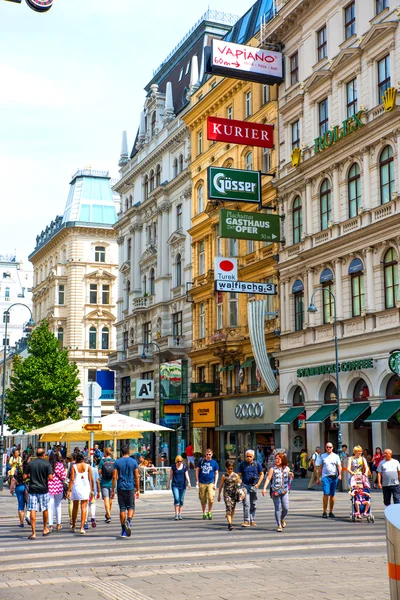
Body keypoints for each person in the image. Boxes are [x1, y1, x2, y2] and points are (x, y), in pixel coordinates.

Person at [23, 448, 53, 539]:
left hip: (32, 490)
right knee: (45, 509)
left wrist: (30, 476)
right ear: (43, 454)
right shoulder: (47, 464)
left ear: (36, 454)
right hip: (43, 489)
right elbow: (50, 478)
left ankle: (33, 533)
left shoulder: (31, 464)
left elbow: (24, 476)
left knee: (32, 509)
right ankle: (44, 528)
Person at [111, 444, 140, 539]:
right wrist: (138, 489)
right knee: (131, 506)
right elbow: (136, 476)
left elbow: (114, 476)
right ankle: (129, 520)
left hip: (121, 487)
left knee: (122, 508)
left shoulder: (117, 462)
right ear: (129, 452)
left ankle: (123, 530)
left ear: (121, 452)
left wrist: (112, 489)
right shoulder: (134, 462)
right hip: (130, 487)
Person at [262, 452, 294, 532]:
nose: (276, 460)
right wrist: (264, 488)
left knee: (286, 508)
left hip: (284, 491)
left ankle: (282, 518)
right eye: (276, 459)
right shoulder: (273, 469)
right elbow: (268, 478)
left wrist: (290, 474)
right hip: (275, 491)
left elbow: (289, 475)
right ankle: (279, 525)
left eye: (278, 459)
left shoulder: (286, 468)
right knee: (277, 508)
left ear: (282, 460)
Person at [66, 451, 94, 534]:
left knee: (75, 506)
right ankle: (82, 527)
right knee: (84, 507)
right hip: (85, 487)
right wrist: (92, 489)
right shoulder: (88, 466)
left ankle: (74, 525)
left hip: (76, 487)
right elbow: (91, 479)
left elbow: (71, 479)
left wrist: (69, 490)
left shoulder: (74, 466)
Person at [238, 449, 264, 527]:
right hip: (245, 485)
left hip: (254, 486)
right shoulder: (242, 464)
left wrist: (258, 484)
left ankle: (252, 519)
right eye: (247, 456)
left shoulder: (257, 464)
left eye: (250, 456)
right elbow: (239, 475)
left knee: (253, 504)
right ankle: (246, 520)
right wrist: (238, 484)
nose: (248, 458)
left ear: (253, 457)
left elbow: (262, 474)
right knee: (246, 503)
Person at [316, 442, 342, 518]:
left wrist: (340, 475)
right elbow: (320, 468)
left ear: (332, 448)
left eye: (330, 447)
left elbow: (339, 466)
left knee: (332, 495)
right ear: (325, 448)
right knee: (326, 493)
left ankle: (331, 511)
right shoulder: (322, 456)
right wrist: (318, 478)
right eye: (327, 447)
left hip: (334, 477)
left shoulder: (336, 456)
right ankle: (324, 511)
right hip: (325, 477)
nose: (328, 448)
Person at [217, 460, 242, 531]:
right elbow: (221, 486)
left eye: (231, 468)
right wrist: (219, 495)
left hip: (234, 493)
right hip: (227, 493)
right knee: (228, 507)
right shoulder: (224, 476)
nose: (230, 470)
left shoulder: (236, 475)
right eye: (229, 468)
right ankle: (230, 524)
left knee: (232, 509)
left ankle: (230, 519)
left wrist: (239, 482)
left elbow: (239, 483)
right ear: (226, 468)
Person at [196, 448, 219, 520]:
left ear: (212, 455)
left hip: (210, 482)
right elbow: (197, 470)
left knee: (211, 498)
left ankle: (209, 511)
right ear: (205, 454)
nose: (208, 456)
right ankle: (204, 513)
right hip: (202, 482)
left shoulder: (214, 463)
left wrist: (215, 483)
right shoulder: (201, 461)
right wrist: (197, 480)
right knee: (203, 498)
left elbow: (216, 473)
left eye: (209, 454)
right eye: (207, 454)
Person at [167, 455, 191, 520]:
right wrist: (168, 483)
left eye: (181, 461)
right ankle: (176, 514)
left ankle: (180, 514)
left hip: (182, 485)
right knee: (177, 498)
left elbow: (187, 475)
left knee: (181, 499)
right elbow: (170, 475)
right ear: (176, 461)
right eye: (178, 461)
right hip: (175, 485)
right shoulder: (173, 467)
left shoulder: (184, 467)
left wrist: (189, 482)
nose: (180, 462)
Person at [48, 451, 66, 532]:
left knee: (50, 505)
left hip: (49, 487)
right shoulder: (60, 465)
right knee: (58, 505)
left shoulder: (48, 465)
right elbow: (63, 477)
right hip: (58, 487)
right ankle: (58, 524)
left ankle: (50, 525)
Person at [99, 447, 115, 523]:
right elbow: (116, 473)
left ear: (105, 453)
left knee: (106, 499)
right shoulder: (114, 461)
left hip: (104, 482)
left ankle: (108, 515)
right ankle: (108, 513)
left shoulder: (102, 461)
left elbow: (99, 471)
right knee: (110, 500)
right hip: (112, 483)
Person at [10, 462, 27, 527]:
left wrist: (11, 489)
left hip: (19, 487)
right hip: (27, 487)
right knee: (29, 505)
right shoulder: (28, 468)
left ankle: (21, 522)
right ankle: (29, 518)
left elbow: (13, 480)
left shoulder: (17, 469)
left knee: (20, 506)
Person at [86, 459, 101, 528]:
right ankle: (93, 516)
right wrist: (98, 491)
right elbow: (97, 481)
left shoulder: (84, 470)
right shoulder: (95, 470)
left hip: (85, 491)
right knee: (92, 503)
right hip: (92, 491)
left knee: (85, 505)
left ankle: (85, 521)